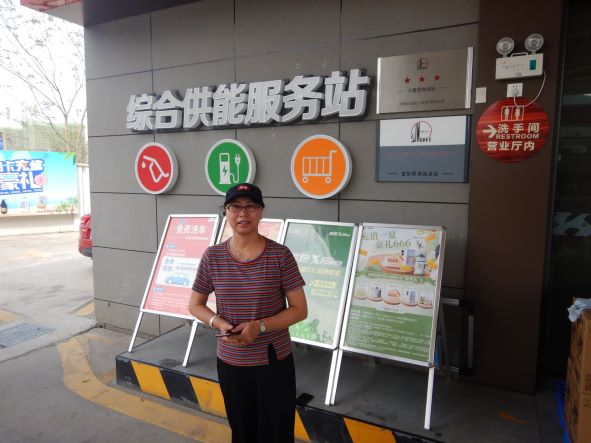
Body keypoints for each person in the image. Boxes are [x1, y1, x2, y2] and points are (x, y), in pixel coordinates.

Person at [188, 183, 307, 443]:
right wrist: (217, 322)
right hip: (231, 362)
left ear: (261, 211)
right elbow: (195, 304)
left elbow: (300, 310)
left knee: (277, 433)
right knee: (242, 432)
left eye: (251, 206)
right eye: (235, 207)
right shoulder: (212, 256)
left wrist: (259, 327)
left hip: (273, 362)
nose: (243, 213)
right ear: (226, 212)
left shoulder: (280, 255)